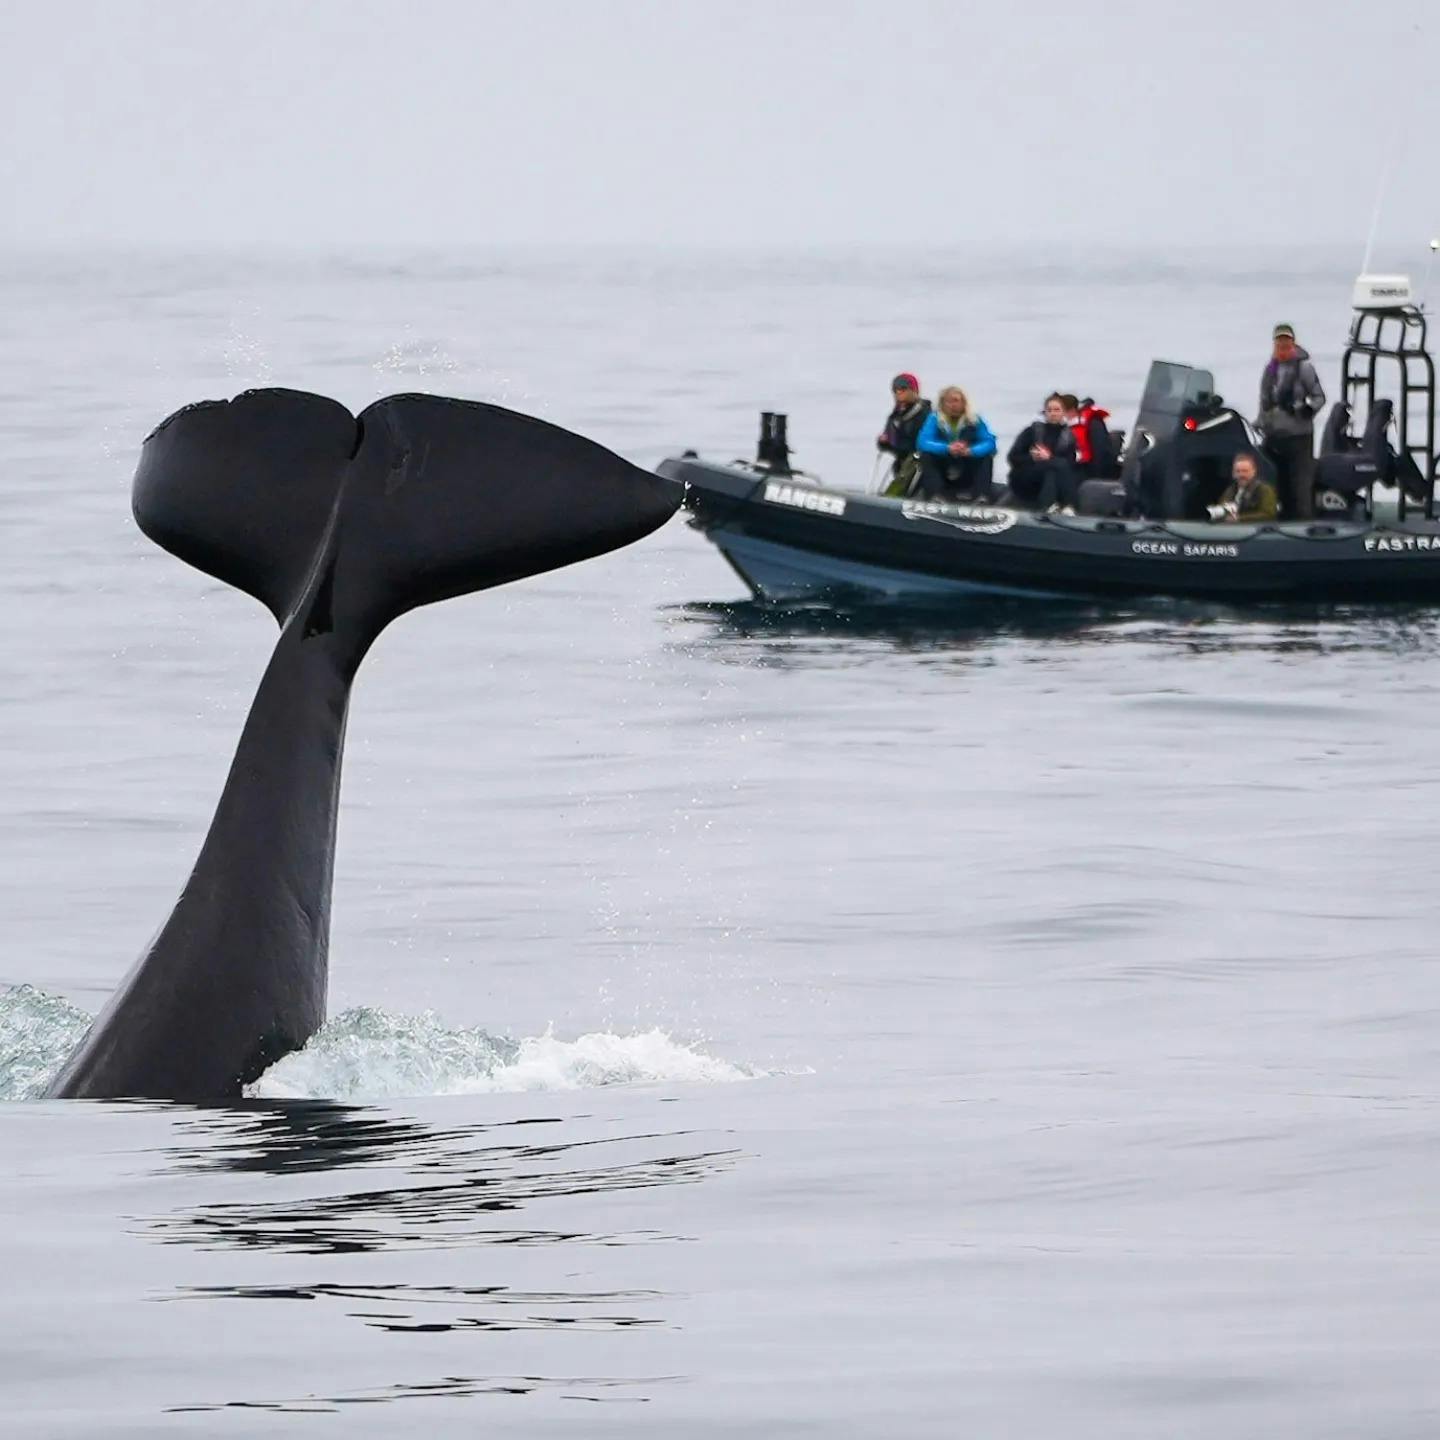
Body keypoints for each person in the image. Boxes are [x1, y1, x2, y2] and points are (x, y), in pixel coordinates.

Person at [1257, 323, 1325, 519]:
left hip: (1299, 438)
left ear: (1293, 343)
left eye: (1287, 342)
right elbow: (1264, 401)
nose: (1283, 346)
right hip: (1274, 437)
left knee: (1300, 489)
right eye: (1279, 342)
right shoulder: (1270, 369)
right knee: (1275, 483)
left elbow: (1319, 397)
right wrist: (1261, 422)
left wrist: (1306, 409)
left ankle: (1305, 525)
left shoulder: (1305, 368)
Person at [915, 386, 998, 500]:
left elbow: (989, 442)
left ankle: (981, 496)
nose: (952, 405)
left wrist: (971, 451)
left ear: (963, 403)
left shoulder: (974, 420)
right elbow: (923, 442)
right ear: (942, 404)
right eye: (948, 402)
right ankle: (935, 495)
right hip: (944, 464)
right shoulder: (934, 419)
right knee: (927, 456)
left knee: (986, 457)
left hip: (967, 463)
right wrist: (947, 448)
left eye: (956, 401)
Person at [1006, 393, 1079, 512]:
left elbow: (1070, 464)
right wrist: (1033, 457)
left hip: (1053, 480)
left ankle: (1059, 506)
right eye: (1049, 410)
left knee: (1054, 470)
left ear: (1064, 413)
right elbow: (1013, 457)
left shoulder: (1068, 437)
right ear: (1044, 412)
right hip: (1027, 476)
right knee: (1055, 466)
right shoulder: (1032, 431)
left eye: (1057, 410)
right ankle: (1065, 504)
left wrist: (1049, 458)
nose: (1053, 413)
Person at [876, 373, 932, 497]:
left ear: (914, 390)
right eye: (895, 389)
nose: (898, 392)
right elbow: (890, 442)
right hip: (902, 463)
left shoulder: (925, 413)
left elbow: (919, 443)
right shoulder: (895, 415)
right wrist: (884, 442)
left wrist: (894, 444)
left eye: (903, 389)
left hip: (919, 464)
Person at [1206, 449, 1278, 523]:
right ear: (1233, 473)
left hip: (1254, 531)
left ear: (1254, 471)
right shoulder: (1230, 491)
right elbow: (1222, 507)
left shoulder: (1264, 490)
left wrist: (1239, 518)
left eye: (1245, 471)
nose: (1241, 475)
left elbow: (1269, 514)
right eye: (1238, 471)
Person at [1061, 393, 1115, 477]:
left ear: (1070, 410)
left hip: (1090, 471)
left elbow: (1100, 451)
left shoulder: (1093, 423)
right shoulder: (1073, 425)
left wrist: (1096, 476)